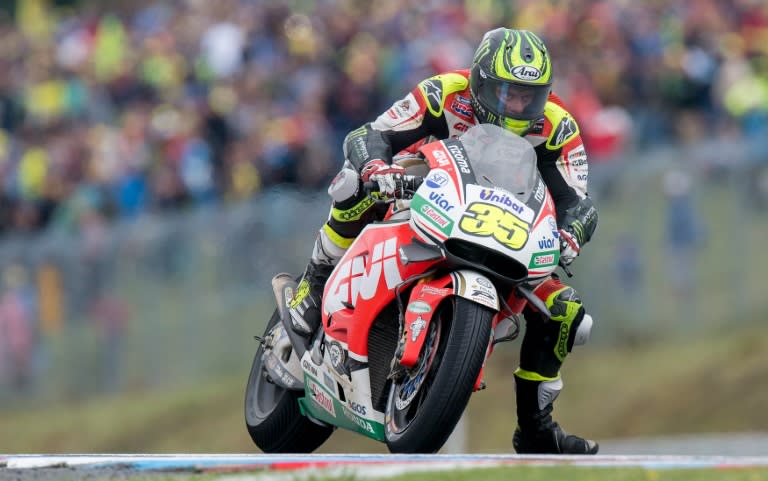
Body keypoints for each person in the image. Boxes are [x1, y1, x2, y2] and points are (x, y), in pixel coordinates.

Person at [288, 28, 599, 454]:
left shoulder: (558, 127)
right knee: (351, 188)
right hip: (420, 197)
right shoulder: (444, 93)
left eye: (529, 95)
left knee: (567, 313)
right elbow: (368, 134)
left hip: (506, 238)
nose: (518, 106)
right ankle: (313, 282)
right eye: (507, 92)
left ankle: (535, 428)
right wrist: (378, 168)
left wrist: (572, 233)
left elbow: (577, 202)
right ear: (480, 83)